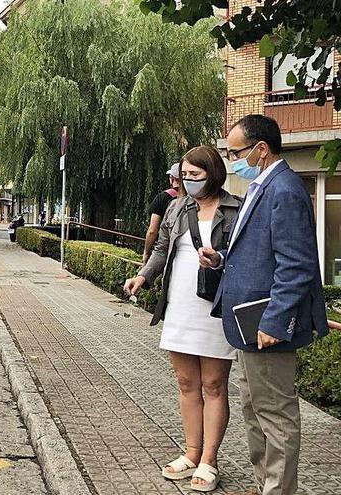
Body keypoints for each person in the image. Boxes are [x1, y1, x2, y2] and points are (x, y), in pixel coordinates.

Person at [199, 115, 328, 495]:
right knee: (254, 413)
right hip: (247, 326)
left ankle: (277, 490)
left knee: (276, 417)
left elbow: (297, 265)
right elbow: (258, 252)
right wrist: (221, 259)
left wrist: (274, 321)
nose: (231, 158)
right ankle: (262, 485)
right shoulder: (260, 186)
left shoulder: (284, 190)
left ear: (261, 149)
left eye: (235, 151)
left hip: (266, 326)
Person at [125, 146, 241, 492]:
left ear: (214, 174)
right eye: (184, 175)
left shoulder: (235, 208)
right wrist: (143, 275)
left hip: (216, 307)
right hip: (180, 305)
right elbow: (162, 249)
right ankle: (191, 453)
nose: (187, 181)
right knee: (187, 384)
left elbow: (245, 256)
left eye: (195, 175)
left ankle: (209, 460)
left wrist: (219, 259)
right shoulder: (177, 206)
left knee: (214, 386)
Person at [143, 163, 182, 264]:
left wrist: (146, 253)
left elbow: (152, 230)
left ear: (172, 179)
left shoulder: (162, 198)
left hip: (166, 248)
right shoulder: (195, 198)